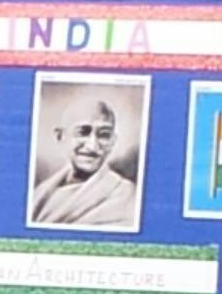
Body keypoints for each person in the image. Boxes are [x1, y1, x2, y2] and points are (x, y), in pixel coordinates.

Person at [29, 92, 140, 229]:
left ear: (112, 142)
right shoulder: (40, 192)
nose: (92, 146)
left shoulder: (126, 196)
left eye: (104, 135)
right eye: (82, 132)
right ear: (60, 136)